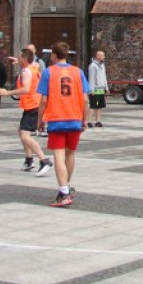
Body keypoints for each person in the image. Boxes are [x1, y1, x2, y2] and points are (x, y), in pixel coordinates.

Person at [37, 41, 89, 207]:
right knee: (70, 154)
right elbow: (86, 100)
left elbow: (43, 100)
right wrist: (85, 119)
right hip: (75, 118)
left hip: (56, 118)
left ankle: (64, 191)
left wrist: (40, 120)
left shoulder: (49, 72)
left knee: (58, 155)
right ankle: (66, 186)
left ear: (53, 55)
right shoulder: (78, 72)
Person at [0, 48, 53, 175]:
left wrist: (7, 92)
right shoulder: (33, 67)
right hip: (32, 105)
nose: (18, 58)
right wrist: (19, 61)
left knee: (24, 135)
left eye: (20, 57)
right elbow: (34, 63)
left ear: (24, 59)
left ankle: (44, 160)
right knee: (21, 131)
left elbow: (26, 89)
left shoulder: (26, 71)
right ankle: (29, 160)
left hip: (33, 105)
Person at [86, 50, 108, 127]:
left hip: (101, 89)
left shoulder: (102, 66)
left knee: (100, 106)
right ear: (98, 56)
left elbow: (104, 76)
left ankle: (98, 121)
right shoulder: (93, 66)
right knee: (93, 105)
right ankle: (89, 121)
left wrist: (106, 87)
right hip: (95, 89)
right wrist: (91, 89)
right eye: (102, 56)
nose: (104, 57)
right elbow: (91, 78)